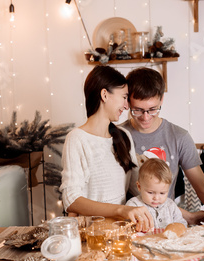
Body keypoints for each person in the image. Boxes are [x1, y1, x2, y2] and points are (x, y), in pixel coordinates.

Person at [121, 67, 204, 224]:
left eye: (153, 109)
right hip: (130, 225)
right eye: (137, 110)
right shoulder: (118, 136)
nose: (145, 117)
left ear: (161, 99)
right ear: (128, 101)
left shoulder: (179, 137)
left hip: (165, 223)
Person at [60, 66, 154, 232]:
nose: (127, 106)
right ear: (104, 95)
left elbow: (138, 186)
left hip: (122, 233)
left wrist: (179, 212)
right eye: (124, 97)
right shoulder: (77, 139)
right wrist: (121, 210)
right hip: (92, 235)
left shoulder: (124, 136)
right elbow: (71, 199)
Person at [126, 158, 187, 229]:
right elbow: (127, 227)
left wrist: (177, 228)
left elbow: (182, 224)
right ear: (139, 186)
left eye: (162, 193)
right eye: (150, 192)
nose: (156, 198)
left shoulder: (171, 205)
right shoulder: (133, 205)